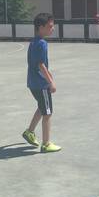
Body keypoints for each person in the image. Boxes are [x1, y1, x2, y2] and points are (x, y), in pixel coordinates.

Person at [22, 13, 61, 153]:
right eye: (50, 26)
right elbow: (40, 65)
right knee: (47, 113)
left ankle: (29, 132)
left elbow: (38, 64)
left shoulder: (34, 42)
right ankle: (46, 144)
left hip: (33, 83)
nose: (53, 28)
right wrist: (50, 82)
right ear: (41, 27)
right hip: (41, 84)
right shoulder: (42, 43)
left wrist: (49, 76)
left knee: (42, 107)